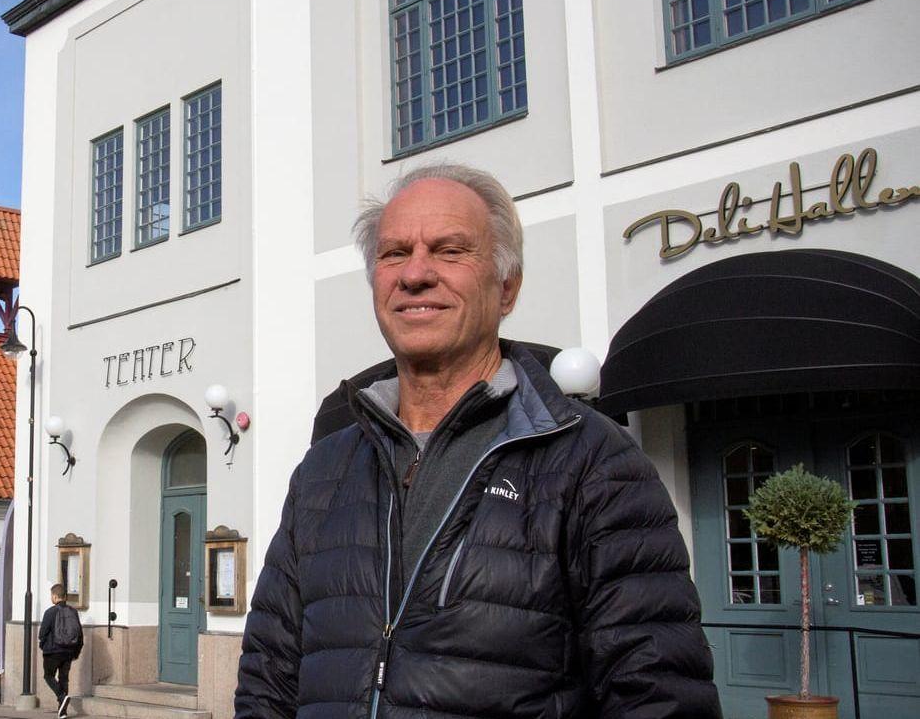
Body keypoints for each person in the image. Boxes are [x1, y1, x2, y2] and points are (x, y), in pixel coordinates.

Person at [234, 164, 721, 718]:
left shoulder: (594, 463)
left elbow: (658, 699)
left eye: (449, 250)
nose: (415, 273)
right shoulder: (324, 470)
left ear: (506, 287)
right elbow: (267, 682)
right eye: (394, 253)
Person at [38, 583, 82, 718]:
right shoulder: (73, 612)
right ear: (65, 596)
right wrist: (76, 652)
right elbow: (80, 634)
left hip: (52, 651)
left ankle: (62, 697)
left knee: (48, 676)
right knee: (64, 679)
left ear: (55, 596)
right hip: (68, 651)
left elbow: (42, 633)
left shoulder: (50, 612)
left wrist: (43, 646)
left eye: (52, 595)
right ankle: (62, 711)